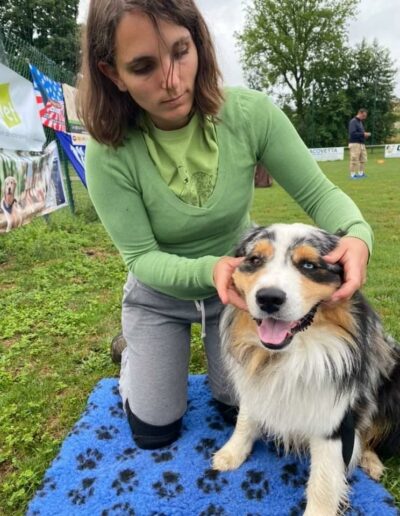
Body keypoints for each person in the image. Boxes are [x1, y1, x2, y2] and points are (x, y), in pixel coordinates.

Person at [77, 0, 372, 451]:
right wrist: (210, 269)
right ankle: (134, 352)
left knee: (239, 406)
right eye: (143, 66)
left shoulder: (251, 114)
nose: (172, 81)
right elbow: (140, 257)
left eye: (180, 51)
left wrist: (355, 233)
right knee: (154, 430)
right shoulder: (107, 151)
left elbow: (318, 194)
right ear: (112, 72)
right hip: (160, 295)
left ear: (198, 41)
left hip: (239, 291)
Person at [348, 108, 371, 179]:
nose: (364, 117)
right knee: (354, 159)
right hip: (355, 143)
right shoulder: (353, 121)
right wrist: (363, 134)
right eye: (363, 115)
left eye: (365, 116)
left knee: (363, 160)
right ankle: (352, 175)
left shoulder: (360, 122)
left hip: (361, 144)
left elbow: (360, 133)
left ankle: (361, 174)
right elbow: (352, 133)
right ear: (360, 113)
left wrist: (365, 135)